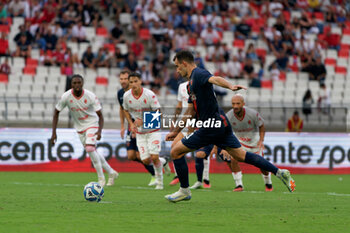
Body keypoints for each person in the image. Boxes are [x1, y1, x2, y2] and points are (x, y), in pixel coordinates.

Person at [165, 50, 295, 202]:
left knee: (176, 152)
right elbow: (190, 111)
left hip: (210, 126)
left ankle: (184, 191)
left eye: (177, 66)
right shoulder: (190, 85)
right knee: (241, 155)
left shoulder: (199, 74)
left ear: (184, 63)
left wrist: (230, 86)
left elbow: (215, 79)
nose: (177, 70)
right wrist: (175, 131)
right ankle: (279, 172)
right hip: (221, 123)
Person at [51, 74, 119, 187]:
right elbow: (56, 113)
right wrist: (54, 133)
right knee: (92, 151)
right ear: (71, 84)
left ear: (82, 83)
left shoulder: (90, 96)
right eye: (74, 83)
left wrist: (99, 131)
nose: (77, 85)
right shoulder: (66, 96)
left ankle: (101, 179)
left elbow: (100, 116)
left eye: (79, 83)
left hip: (92, 124)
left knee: (89, 148)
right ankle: (111, 172)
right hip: (79, 127)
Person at [122, 72, 167, 190]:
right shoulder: (126, 96)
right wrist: (131, 124)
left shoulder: (149, 95)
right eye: (131, 82)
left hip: (153, 130)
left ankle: (159, 183)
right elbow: (125, 110)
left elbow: (159, 113)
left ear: (141, 81)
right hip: (140, 133)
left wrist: (144, 121)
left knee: (154, 157)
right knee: (146, 160)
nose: (133, 84)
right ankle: (164, 161)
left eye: (135, 81)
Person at [222, 94, 273, 192]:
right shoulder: (228, 116)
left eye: (238, 103)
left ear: (243, 104)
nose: (235, 106)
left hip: (254, 143)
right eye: (233, 104)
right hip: (239, 142)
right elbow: (224, 131)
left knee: (262, 166)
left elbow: (261, 125)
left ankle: (268, 183)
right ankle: (239, 185)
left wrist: (261, 140)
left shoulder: (252, 113)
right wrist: (225, 147)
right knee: (233, 159)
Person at [117, 70, 157, 186]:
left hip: (144, 125)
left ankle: (156, 170)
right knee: (131, 156)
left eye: (126, 79)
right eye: (122, 79)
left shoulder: (144, 94)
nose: (123, 81)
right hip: (132, 124)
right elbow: (122, 109)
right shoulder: (121, 94)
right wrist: (123, 126)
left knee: (143, 154)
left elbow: (155, 112)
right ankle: (157, 167)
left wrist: (142, 122)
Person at [169, 80, 211, 189]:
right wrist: (174, 121)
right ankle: (177, 175)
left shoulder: (203, 84)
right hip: (186, 121)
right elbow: (179, 106)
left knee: (202, 151)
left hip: (200, 122)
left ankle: (205, 179)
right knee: (174, 147)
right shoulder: (182, 86)